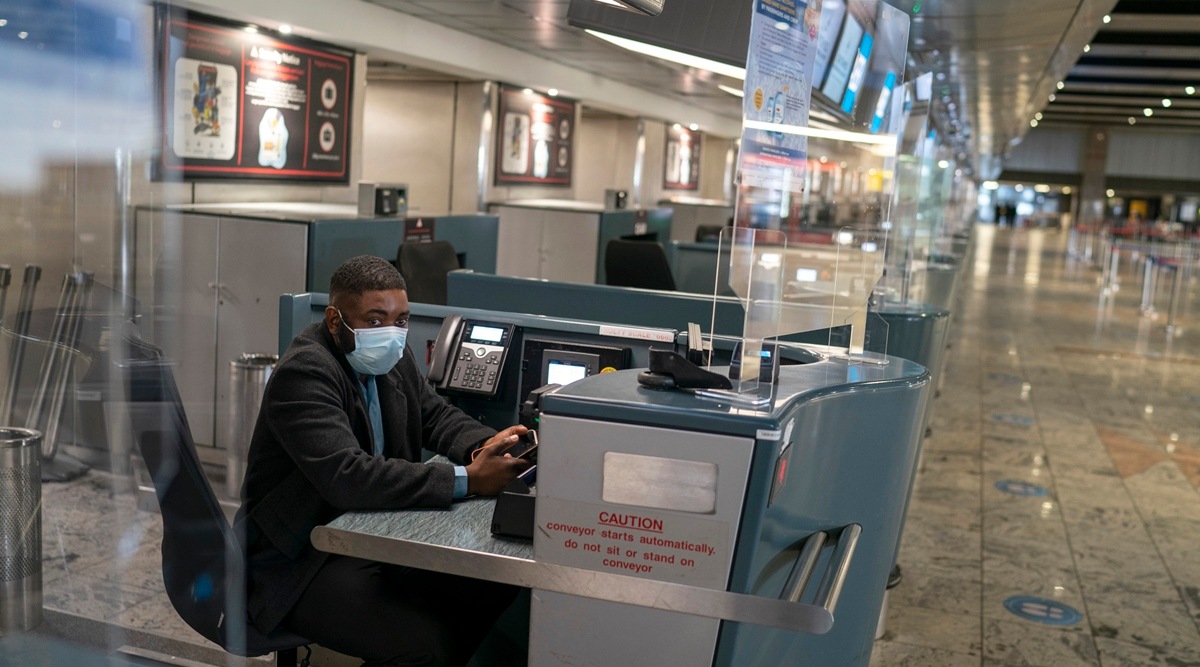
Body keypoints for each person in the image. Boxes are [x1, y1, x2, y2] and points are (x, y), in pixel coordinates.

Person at [234, 255, 531, 666]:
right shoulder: (306, 371)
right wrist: (469, 479)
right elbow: (347, 476)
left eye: (401, 320)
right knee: (424, 650)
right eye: (375, 320)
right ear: (336, 321)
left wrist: (487, 446)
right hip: (300, 560)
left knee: (494, 582)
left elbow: (434, 415)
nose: (391, 332)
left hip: (368, 535)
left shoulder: (391, 356)